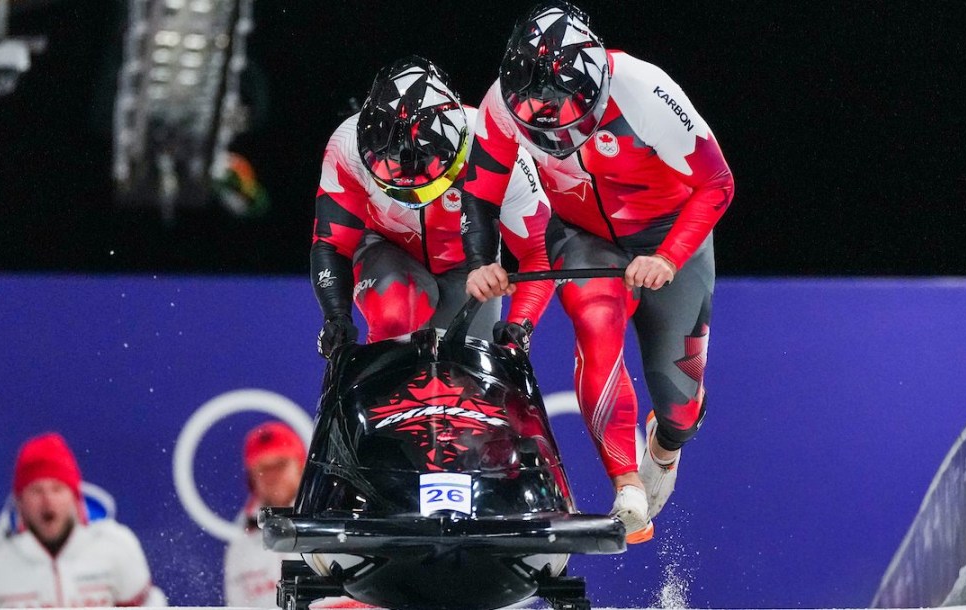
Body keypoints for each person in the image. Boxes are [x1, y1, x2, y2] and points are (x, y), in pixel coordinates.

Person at [462, 1, 734, 544]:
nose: (555, 136)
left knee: (679, 405)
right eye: (536, 123)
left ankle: (664, 443)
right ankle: (626, 483)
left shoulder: (644, 90)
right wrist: (481, 262)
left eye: (566, 119)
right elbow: (481, 193)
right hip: (584, 238)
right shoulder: (500, 102)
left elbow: (717, 183)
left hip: (669, 235)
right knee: (595, 319)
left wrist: (668, 257)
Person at [311, 55, 554, 359]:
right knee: (396, 315)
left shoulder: (495, 144)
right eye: (397, 185)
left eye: (425, 184)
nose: (413, 194)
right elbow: (332, 245)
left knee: (469, 377)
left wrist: (520, 324)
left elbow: (540, 249)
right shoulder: (346, 148)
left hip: (469, 261)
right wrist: (336, 317)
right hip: (386, 249)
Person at [0, 433, 168, 608]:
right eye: (36, 491)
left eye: (57, 489)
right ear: (19, 500)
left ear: (75, 496)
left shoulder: (115, 546)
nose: (48, 502)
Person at [223, 421, 306, 607]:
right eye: (263, 468)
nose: (272, 475)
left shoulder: (330, 523)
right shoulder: (240, 542)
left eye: (280, 464)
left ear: (301, 467)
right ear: (251, 477)